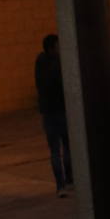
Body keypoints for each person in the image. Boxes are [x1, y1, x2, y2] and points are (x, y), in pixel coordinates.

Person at [34, 33, 72, 196]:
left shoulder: (40, 63)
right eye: (58, 46)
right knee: (64, 148)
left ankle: (62, 184)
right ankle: (67, 182)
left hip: (49, 112)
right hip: (58, 112)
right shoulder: (56, 65)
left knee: (57, 150)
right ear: (52, 48)